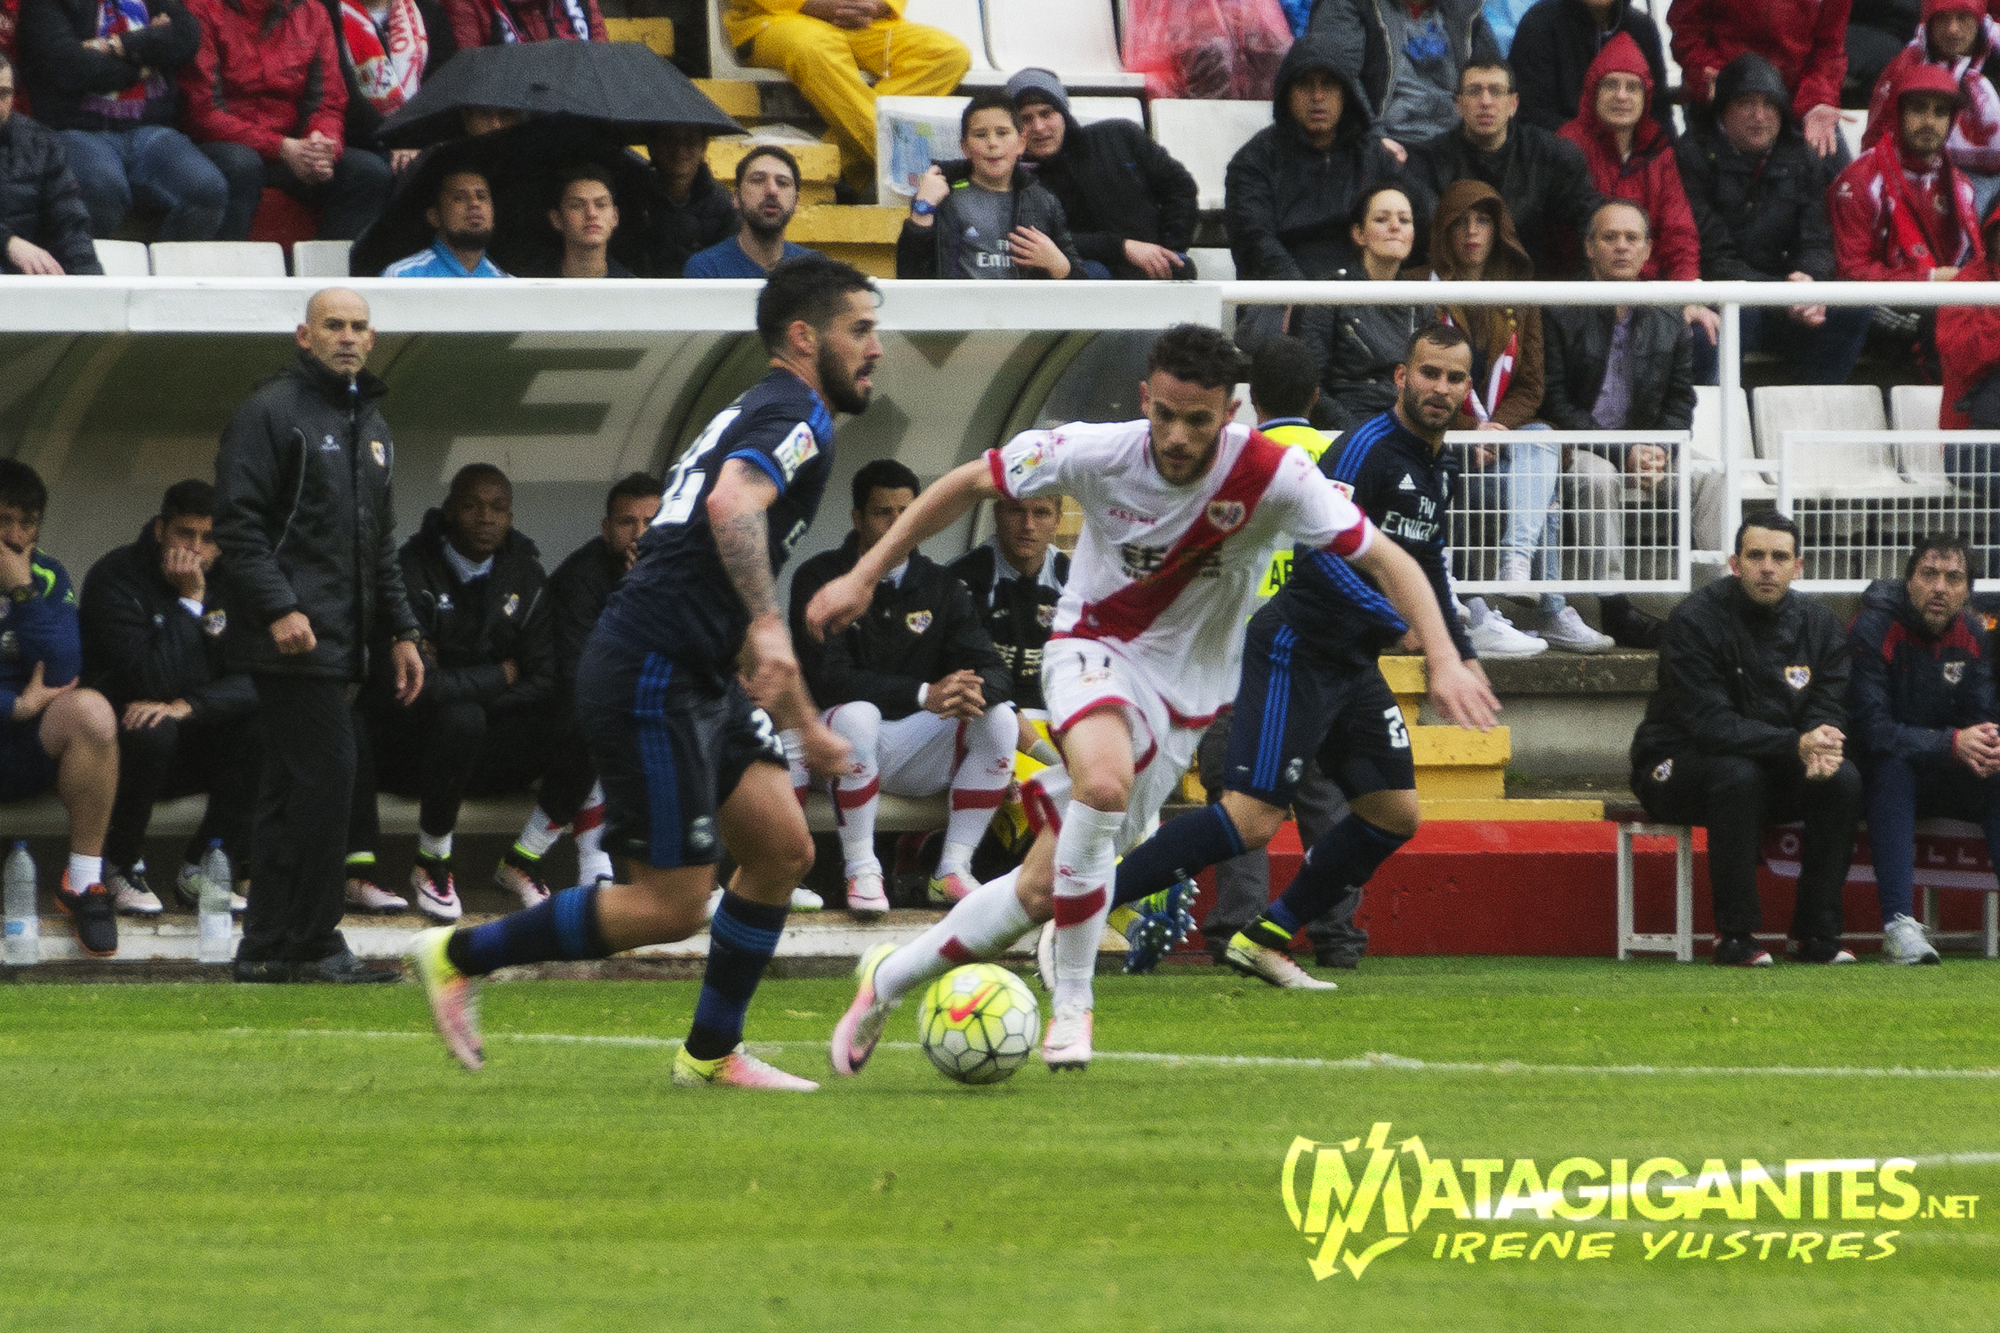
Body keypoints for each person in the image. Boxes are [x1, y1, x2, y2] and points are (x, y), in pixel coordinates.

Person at [811, 323, 1497, 1072]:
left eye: (1197, 420)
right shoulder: (1096, 450)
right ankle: (1073, 1000)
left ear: (1229, 412)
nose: (1176, 435)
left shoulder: (1273, 475)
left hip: (1183, 700)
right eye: (1164, 413)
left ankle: (887, 978)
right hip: (1092, 650)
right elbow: (966, 483)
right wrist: (866, 573)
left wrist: (1445, 654)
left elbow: (1387, 555)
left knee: (1041, 888)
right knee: (1102, 781)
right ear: (1145, 398)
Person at [405, 256, 879, 1091]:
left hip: (693, 669)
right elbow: (732, 508)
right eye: (862, 330)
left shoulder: (766, 405)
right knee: (671, 904)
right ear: (805, 338)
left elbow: (715, 561)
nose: (877, 348)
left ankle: (710, 1054)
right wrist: (768, 627)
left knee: (781, 847)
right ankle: (457, 953)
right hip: (651, 670)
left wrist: (802, 720)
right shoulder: (796, 408)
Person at [1097, 324, 1504, 990]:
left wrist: (1456, 649)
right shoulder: (1364, 449)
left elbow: (1426, 561)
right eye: (1429, 373)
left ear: (1469, 390)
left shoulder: (1437, 463)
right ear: (1402, 376)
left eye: (1455, 378)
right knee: (1250, 819)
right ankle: (1087, 906)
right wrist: (1398, 619)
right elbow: (1322, 555)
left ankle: (1266, 936)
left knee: (1395, 814)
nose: (1441, 388)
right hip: (1297, 646)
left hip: (1352, 662)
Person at [213, 288, 424, 984]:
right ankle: (312, 940)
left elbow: (380, 543)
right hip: (289, 640)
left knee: (289, 789)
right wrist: (279, 607)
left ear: (374, 339)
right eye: (333, 325)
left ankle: (266, 945)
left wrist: (401, 629)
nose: (348, 337)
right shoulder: (269, 412)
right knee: (331, 779)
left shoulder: (375, 425)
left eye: (360, 326)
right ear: (303, 335)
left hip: (340, 641)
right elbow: (238, 527)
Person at [1177, 334, 1373, 971]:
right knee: (1324, 800)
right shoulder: (1341, 456)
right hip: (1320, 652)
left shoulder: (1239, 457)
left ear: (1249, 400)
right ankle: (1337, 935)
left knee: (1240, 796)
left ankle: (1233, 928)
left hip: (1240, 654)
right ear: (1316, 397)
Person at [787, 459, 1018, 914]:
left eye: (905, 512)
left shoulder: (941, 585)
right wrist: (922, 693)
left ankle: (951, 869)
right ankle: (861, 869)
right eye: (882, 513)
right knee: (858, 714)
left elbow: (994, 669)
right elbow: (829, 679)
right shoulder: (820, 578)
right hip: (831, 750)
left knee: (1000, 719)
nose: (896, 524)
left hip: (911, 751)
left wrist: (973, 691)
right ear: (857, 519)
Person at [1630, 514, 1861, 967]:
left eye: (1779, 557)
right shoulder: (1694, 619)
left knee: (1844, 779)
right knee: (1738, 773)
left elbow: (1828, 707)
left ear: (1799, 567)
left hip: (1772, 764)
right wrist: (1797, 744)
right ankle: (1734, 935)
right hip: (1675, 764)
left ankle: (1816, 935)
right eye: (1756, 556)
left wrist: (1824, 742)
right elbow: (1712, 726)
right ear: (1734, 564)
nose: (1767, 567)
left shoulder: (1821, 626)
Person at [346, 464, 554, 920]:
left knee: (581, 718)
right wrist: (499, 674)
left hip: (485, 748)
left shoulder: (526, 575)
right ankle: (432, 862)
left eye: (499, 507)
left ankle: (524, 860)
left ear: (511, 516)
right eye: (473, 505)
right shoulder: (409, 570)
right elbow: (411, 685)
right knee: (458, 717)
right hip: (410, 749)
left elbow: (543, 677)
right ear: (449, 511)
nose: (486, 517)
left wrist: (471, 689)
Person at [1406, 180, 1604, 654]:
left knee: (1541, 438)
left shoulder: (1520, 292)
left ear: (1499, 230)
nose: (1472, 232)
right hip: (1447, 450)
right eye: (1461, 222)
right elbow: (1419, 382)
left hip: (1503, 449)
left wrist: (1497, 429)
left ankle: (1517, 565)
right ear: (1444, 230)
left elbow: (1533, 386)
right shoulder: (1420, 287)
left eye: (1483, 221)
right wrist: (1470, 430)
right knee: (1546, 486)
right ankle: (1553, 609)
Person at [79, 479, 257, 919]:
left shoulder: (235, 582)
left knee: (268, 725)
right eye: (184, 534)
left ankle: (204, 867)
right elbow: (150, 681)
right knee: (150, 727)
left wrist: (190, 705)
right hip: (122, 748)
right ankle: (120, 864)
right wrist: (190, 602)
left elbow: (257, 679)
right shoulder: (116, 577)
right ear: (160, 529)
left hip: (195, 736)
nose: (196, 549)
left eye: (209, 538)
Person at [1539, 200, 1699, 650]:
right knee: (1598, 477)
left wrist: (1660, 450)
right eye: (1610, 237)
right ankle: (1614, 606)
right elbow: (1554, 400)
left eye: (1632, 238)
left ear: (1649, 250)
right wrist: (1622, 452)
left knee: (1709, 478)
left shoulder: (1669, 314)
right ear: (1589, 247)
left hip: (1648, 449)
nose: (1622, 247)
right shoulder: (1560, 307)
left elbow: (1681, 401)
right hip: (1581, 448)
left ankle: (1720, 606)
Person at [496, 471, 657, 902]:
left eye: (651, 522)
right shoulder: (582, 577)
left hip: (630, 713)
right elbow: (586, 674)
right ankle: (570, 861)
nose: (639, 534)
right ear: (606, 529)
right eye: (627, 522)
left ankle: (603, 867)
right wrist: (637, 589)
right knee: (600, 718)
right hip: (543, 722)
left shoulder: (680, 574)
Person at [1848, 533, 2000, 966]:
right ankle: (1899, 925)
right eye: (1929, 575)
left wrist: (1989, 742)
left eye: (1954, 579)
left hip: (1943, 766)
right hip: (1875, 774)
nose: (1940, 588)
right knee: (1894, 766)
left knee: (1995, 770)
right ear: (1908, 581)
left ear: (1968, 590)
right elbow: (1872, 729)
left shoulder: (1972, 631)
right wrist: (1951, 742)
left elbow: (1982, 709)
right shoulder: (1872, 627)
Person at [1678, 53, 1871, 386]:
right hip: (1728, 295)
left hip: (1785, 296)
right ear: (1723, 108)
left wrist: (1810, 280)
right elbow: (1713, 256)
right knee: (1733, 319)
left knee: (1852, 309)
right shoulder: (1692, 155)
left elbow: (1817, 238)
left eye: (1770, 105)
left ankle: (1807, 412)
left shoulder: (1803, 156)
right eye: (1746, 104)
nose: (1760, 116)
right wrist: (1782, 292)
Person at [0, 459, 120, 956]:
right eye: (3, 520)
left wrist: (20, 589)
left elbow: (65, 664)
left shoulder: (47, 574)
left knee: (92, 711)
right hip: (13, 715)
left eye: (26, 524)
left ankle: (83, 882)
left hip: (24, 749)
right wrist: (13, 704)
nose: (14, 535)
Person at [180, 0, 393, 241]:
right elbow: (203, 113)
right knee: (242, 165)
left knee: (369, 173)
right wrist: (280, 147)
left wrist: (321, 145)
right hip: (223, 144)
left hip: (294, 148)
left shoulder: (312, 12)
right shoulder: (202, 8)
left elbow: (327, 103)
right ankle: (230, 274)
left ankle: (329, 277)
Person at [20, 0, 229, 240]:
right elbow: (69, 65)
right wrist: (145, 64)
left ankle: (166, 274)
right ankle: (86, 270)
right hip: (76, 128)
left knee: (207, 190)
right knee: (102, 190)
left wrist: (115, 44)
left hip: (151, 129)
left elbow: (187, 36)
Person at [721, 0, 968, 194]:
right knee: (815, 47)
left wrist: (876, 4)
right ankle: (910, 169)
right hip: (779, 19)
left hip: (861, 23)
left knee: (948, 55)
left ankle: (838, 172)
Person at [1224, 34, 1405, 286]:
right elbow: (1253, 239)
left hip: (1365, 293)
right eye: (1305, 85)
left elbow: (1408, 226)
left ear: (1346, 94)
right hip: (1282, 296)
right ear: (1287, 93)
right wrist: (1303, 297)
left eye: (1329, 85)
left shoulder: (1374, 156)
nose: (1317, 96)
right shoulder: (1254, 160)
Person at [1407, 60, 1601, 276]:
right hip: (1450, 286)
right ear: (1458, 104)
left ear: (1513, 104)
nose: (1485, 101)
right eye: (1474, 91)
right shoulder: (1427, 160)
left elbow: (1591, 217)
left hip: (1527, 289)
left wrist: (1584, 291)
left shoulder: (1550, 155)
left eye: (1496, 91)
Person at [1006, 67, 1199, 281]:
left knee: (1181, 266)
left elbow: (1180, 187)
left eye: (1047, 113)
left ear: (1064, 113)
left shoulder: (1121, 135)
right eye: (1026, 119)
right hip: (1087, 274)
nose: (1039, 127)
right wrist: (1122, 247)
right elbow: (1044, 237)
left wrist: (1166, 248)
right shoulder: (1017, 179)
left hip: (1151, 265)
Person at [1831, 59, 1981, 334]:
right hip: (1874, 304)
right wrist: (1931, 279)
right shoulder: (1861, 180)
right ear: (1898, 113)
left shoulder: (1961, 186)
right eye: (1918, 109)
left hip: (1941, 302)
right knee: (1941, 326)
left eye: (1939, 112)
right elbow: (1851, 272)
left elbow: (1973, 262)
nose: (1929, 122)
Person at [895, 90, 1081, 281]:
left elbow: (1082, 291)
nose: (992, 143)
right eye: (980, 134)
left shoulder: (1043, 201)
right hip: (960, 309)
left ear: (1021, 143)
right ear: (965, 147)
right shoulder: (941, 197)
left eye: (1002, 133)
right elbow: (909, 276)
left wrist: (1059, 265)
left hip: (1024, 309)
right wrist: (922, 211)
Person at [1301, 184, 1434, 430]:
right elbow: (1313, 384)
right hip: (1344, 431)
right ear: (1359, 234)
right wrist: (1357, 435)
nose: (1395, 226)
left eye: (1404, 220)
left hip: (1408, 428)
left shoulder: (1423, 300)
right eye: (1382, 219)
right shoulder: (1328, 293)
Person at [1864, 0, 2000, 216]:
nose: (1953, 29)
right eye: (1943, 19)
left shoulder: (1995, 55)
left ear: (1978, 20)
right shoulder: (1907, 67)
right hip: (1932, 179)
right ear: (1928, 22)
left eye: (1962, 18)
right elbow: (1876, 145)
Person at [1667, 0, 1850, 159]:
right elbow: (1686, 32)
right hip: (1724, 94)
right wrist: (1721, 80)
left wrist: (1817, 101)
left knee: (1836, 180)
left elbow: (1829, 48)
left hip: (1795, 99)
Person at [1308, 0, 1503, 149]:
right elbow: (1337, 76)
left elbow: (1496, 82)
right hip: (1384, 145)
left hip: (1458, 147)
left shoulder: (1466, 9)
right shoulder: (1347, 5)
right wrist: (1374, 139)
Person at [949, 495, 1067, 728]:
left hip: (1054, 715)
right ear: (997, 514)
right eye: (1016, 511)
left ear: (1057, 521)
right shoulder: (963, 578)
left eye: (1042, 513)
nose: (1028, 525)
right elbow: (966, 680)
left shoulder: (1073, 579)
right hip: (985, 715)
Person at [0, 53, 102, 273]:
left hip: (24, 285)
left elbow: (69, 223)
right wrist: (8, 243)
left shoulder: (41, 144)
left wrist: (94, 288)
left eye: (3, 94)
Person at [1508, 0, 1672, 135]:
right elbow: (1534, 116)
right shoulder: (1539, 24)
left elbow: (1659, 111)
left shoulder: (1642, 28)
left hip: (1632, 156)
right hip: (1565, 159)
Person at [325, 0, 438, 177]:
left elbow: (441, 86)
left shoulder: (429, 11)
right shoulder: (327, 12)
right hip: (362, 141)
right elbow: (344, 93)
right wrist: (395, 143)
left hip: (421, 138)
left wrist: (414, 143)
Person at [684, 146, 819, 279]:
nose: (772, 190)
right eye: (758, 180)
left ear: (796, 202)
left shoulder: (814, 268)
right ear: (736, 197)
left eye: (782, 182)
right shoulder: (706, 269)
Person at [636, 124, 733, 278]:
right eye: (670, 140)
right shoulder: (632, 197)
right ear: (652, 146)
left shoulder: (725, 204)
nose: (680, 150)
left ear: (704, 146)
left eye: (690, 141)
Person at [381, 167, 505, 276]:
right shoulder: (402, 277)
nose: (474, 203)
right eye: (459, 198)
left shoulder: (507, 285)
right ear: (434, 217)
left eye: (482, 197)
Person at [538, 161, 630, 278]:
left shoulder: (637, 290)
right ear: (557, 219)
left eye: (601, 204)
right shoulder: (525, 287)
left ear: (615, 217)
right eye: (577, 206)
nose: (591, 214)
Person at [441, 0, 600, 48]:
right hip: (507, 119)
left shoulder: (583, 3)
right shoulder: (466, 4)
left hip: (580, 114)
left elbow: (601, 62)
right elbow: (471, 81)